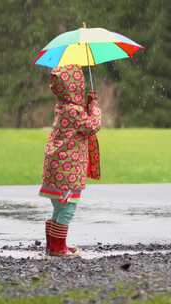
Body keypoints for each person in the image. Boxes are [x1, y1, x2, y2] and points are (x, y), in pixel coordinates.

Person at [39, 64, 101, 257]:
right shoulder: (74, 111)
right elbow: (93, 125)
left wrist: (87, 105)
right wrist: (95, 108)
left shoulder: (62, 107)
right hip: (68, 170)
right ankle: (58, 248)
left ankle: (54, 246)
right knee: (68, 208)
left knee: (59, 207)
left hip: (56, 168)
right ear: (76, 86)